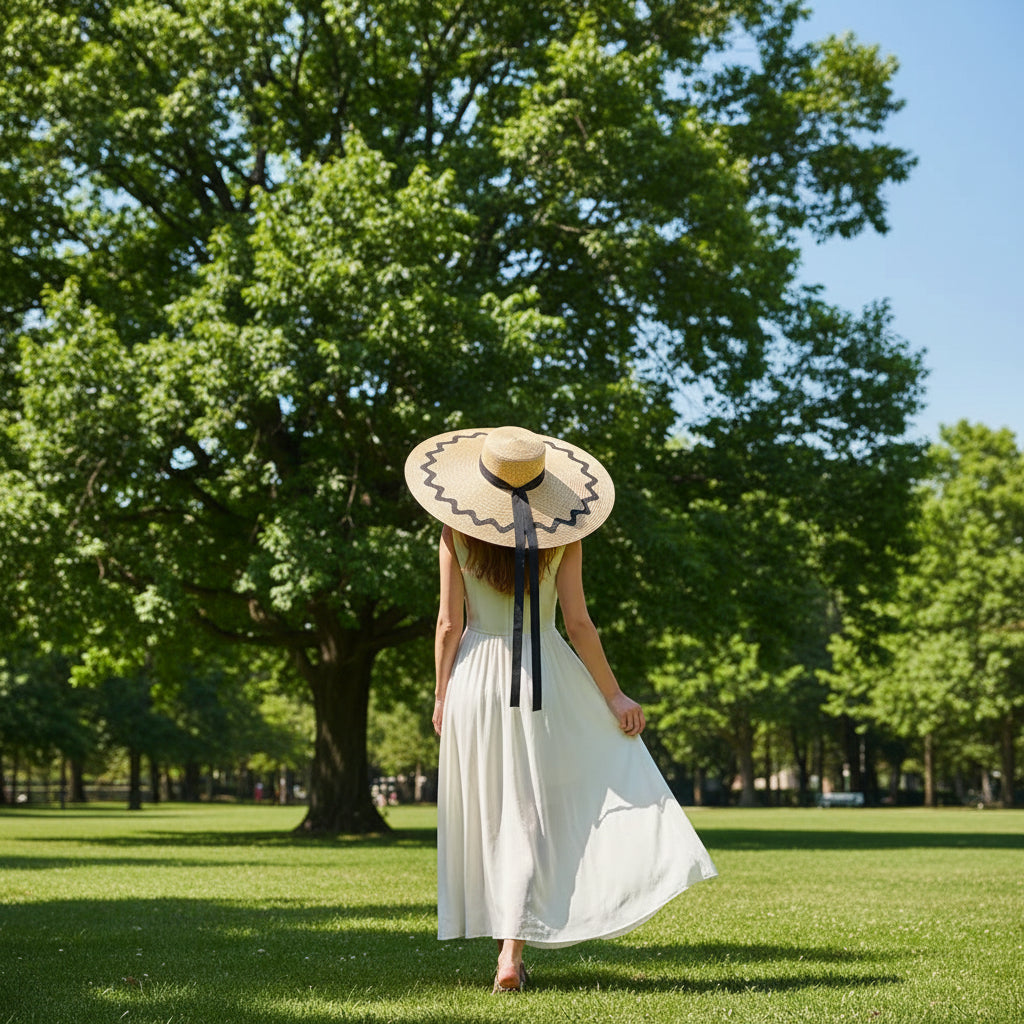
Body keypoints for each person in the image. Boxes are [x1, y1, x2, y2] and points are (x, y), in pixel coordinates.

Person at [404, 425, 717, 993]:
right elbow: (578, 624)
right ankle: (511, 950)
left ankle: (508, 945)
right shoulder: (563, 535)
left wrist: (442, 692)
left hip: (476, 675)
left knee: (495, 811)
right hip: (542, 673)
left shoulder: (454, 533)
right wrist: (614, 694)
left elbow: (448, 625)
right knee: (532, 811)